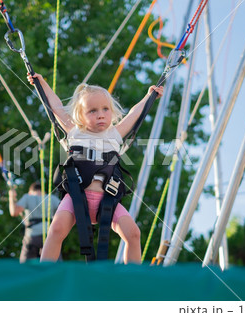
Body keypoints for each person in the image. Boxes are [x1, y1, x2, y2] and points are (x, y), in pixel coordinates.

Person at [27, 73, 164, 264]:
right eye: (92, 111)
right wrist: (41, 84)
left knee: (133, 234)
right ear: (80, 116)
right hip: (77, 198)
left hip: (107, 201)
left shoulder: (115, 135)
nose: (100, 114)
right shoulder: (75, 132)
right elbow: (56, 107)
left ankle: (131, 280)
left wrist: (149, 97)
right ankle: (44, 275)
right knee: (56, 230)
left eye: (105, 109)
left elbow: (133, 114)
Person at [9, 181, 60, 262]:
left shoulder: (28, 197)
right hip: (49, 235)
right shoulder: (52, 198)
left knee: (26, 268)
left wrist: (11, 197)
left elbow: (14, 212)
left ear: (30, 191)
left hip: (32, 237)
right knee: (54, 266)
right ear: (43, 191)